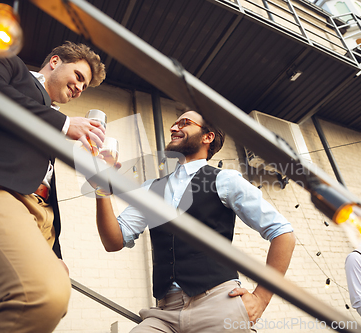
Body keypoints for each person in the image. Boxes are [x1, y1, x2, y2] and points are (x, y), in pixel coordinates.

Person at [0, 41, 106, 333]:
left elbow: (43, 183)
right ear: (54, 62)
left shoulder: (49, 118)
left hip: (38, 217)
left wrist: (56, 254)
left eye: (85, 86)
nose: (79, 88)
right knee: (42, 295)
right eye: (78, 76)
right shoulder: (9, 64)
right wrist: (63, 124)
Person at [94, 110, 296, 332]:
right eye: (174, 123)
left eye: (184, 123)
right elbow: (113, 241)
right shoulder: (151, 188)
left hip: (217, 304)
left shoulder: (225, 180)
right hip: (164, 313)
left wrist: (261, 298)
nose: (173, 127)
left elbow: (283, 234)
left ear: (207, 137)